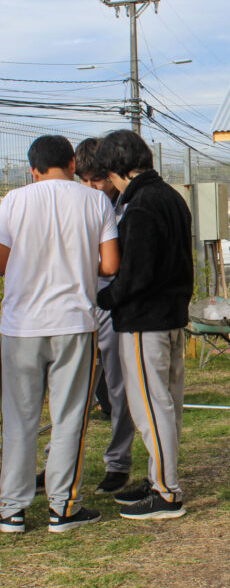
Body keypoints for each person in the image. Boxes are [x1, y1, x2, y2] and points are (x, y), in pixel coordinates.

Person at [0, 135, 119, 534]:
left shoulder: (13, 201)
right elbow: (110, 265)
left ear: (31, 169)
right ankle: (63, 508)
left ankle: (11, 509)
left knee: (19, 418)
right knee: (70, 417)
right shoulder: (95, 200)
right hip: (73, 322)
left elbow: (1, 263)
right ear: (72, 162)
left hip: (20, 324)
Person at [95, 130, 193, 520]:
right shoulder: (172, 198)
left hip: (143, 322)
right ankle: (159, 478)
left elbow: (136, 274)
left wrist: (104, 297)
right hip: (171, 318)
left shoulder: (139, 207)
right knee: (167, 405)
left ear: (116, 169)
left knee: (151, 408)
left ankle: (167, 493)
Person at [75, 138, 135, 494]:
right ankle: (61, 460)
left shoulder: (127, 206)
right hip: (79, 302)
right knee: (74, 388)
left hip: (112, 303)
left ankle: (118, 462)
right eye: (84, 180)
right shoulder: (76, 204)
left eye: (98, 179)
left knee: (117, 387)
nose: (93, 188)